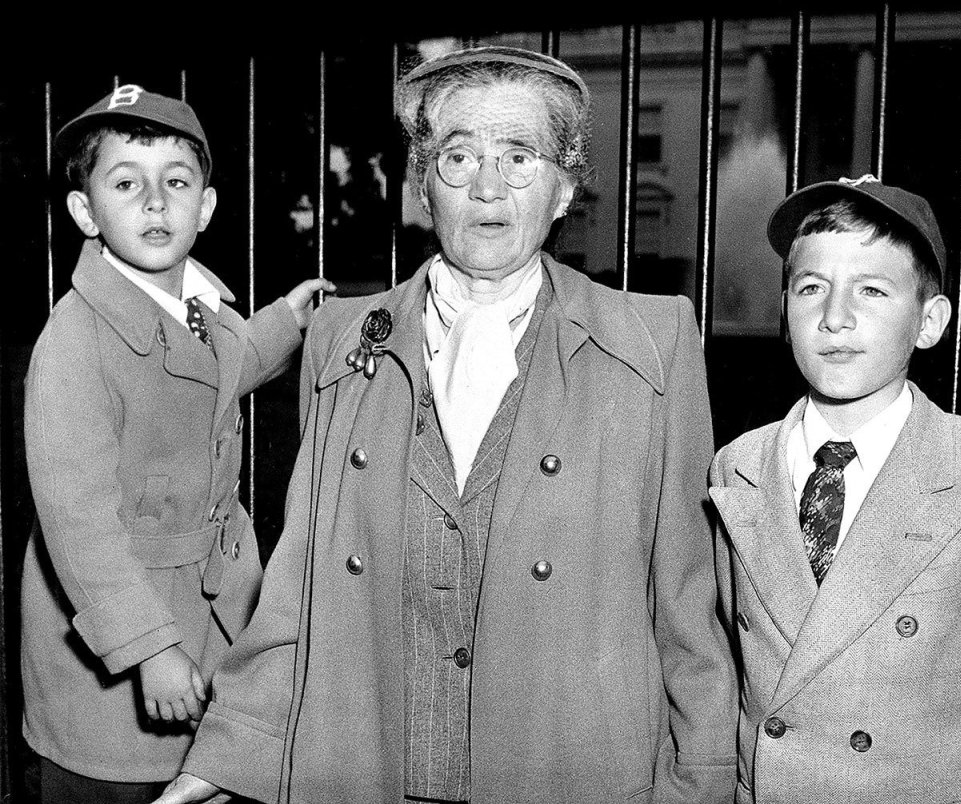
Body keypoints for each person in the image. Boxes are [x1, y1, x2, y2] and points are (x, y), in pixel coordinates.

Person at [154, 46, 737, 804]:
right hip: (369, 763)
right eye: (458, 156)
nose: (487, 186)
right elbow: (302, 588)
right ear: (423, 186)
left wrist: (702, 783)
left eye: (520, 156)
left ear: (565, 187)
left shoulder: (652, 345)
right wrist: (227, 754)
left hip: (570, 766)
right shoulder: (340, 339)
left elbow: (688, 608)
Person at [22, 84, 334, 804]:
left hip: (210, 608)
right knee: (116, 785)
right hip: (119, 640)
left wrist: (284, 322)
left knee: (205, 778)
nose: (156, 202)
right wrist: (149, 649)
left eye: (177, 182)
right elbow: (80, 527)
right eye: (126, 182)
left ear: (207, 207)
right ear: (84, 211)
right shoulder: (75, 342)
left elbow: (221, 370)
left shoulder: (201, 305)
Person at [709, 174, 961, 803]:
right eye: (811, 289)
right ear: (784, 311)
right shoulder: (736, 465)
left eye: (871, 290)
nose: (835, 318)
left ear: (930, 322)